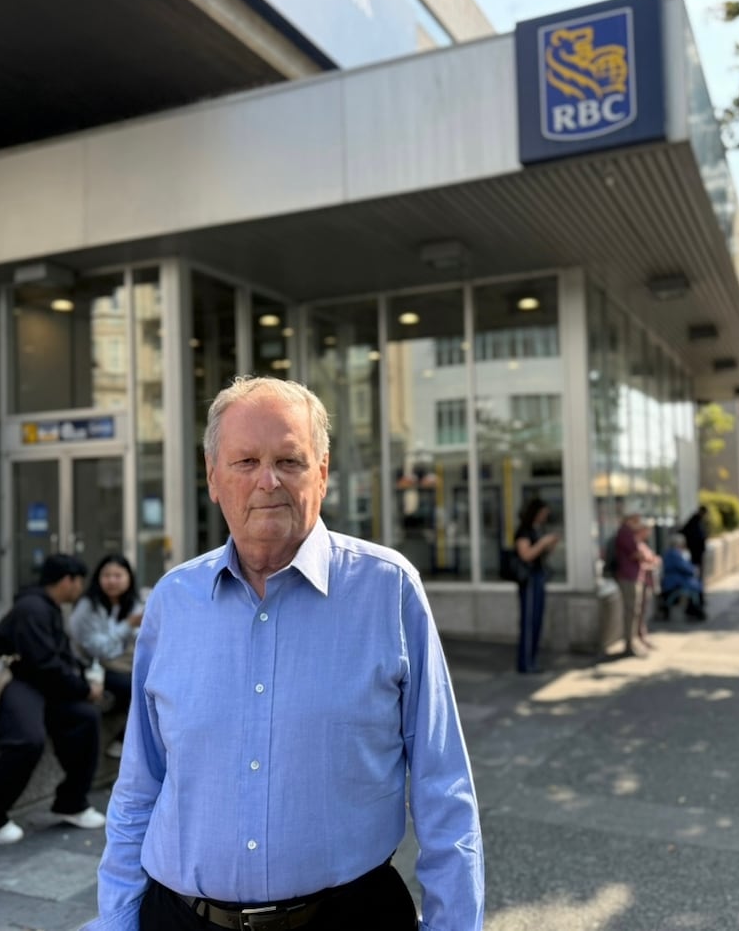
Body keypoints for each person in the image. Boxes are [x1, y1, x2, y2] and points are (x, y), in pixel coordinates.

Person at [89, 377, 483, 931]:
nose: (267, 481)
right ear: (212, 477)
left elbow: (444, 789)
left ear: (321, 473)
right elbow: (138, 786)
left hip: (349, 920)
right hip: (180, 918)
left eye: (290, 461)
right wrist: (117, 919)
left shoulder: (387, 590)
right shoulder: (173, 603)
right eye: (245, 461)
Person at [0, 553, 105, 846]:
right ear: (68, 580)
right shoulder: (32, 608)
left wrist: (83, 682)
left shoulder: (48, 607)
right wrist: (83, 688)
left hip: (35, 682)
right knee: (27, 739)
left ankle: (71, 802)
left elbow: (57, 659)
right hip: (11, 681)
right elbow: (43, 664)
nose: (80, 588)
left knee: (85, 718)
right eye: (78, 581)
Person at [69, 553, 145, 759]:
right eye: (106, 575)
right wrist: (127, 625)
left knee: (154, 684)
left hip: (121, 666)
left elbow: (142, 641)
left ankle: (125, 741)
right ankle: (124, 743)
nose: (112, 581)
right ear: (98, 578)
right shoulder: (87, 607)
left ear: (129, 578)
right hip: (92, 668)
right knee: (140, 689)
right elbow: (98, 649)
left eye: (118, 575)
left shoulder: (134, 604)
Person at [514, 497, 560, 674]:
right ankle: (525, 662)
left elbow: (541, 554)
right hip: (530, 580)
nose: (544, 517)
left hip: (539, 577)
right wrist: (543, 543)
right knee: (529, 621)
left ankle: (532, 659)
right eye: (542, 514)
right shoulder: (524, 531)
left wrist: (550, 544)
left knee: (537, 621)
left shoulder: (537, 529)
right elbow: (526, 555)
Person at [611, 504, 656, 655]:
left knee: (636, 611)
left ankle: (634, 640)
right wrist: (645, 557)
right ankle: (629, 644)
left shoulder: (630, 534)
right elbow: (637, 554)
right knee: (631, 611)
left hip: (634, 575)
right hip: (628, 576)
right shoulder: (625, 533)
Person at [660, 534, 705, 620]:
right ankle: (694, 609)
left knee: (695, 585)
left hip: (677, 579)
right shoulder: (674, 554)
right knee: (695, 587)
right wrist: (693, 570)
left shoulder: (672, 553)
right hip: (674, 581)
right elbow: (683, 567)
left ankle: (693, 609)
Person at [680, 505, 709, 579]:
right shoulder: (694, 520)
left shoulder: (698, 520)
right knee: (695, 568)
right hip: (695, 549)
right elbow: (685, 531)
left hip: (698, 549)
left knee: (698, 568)